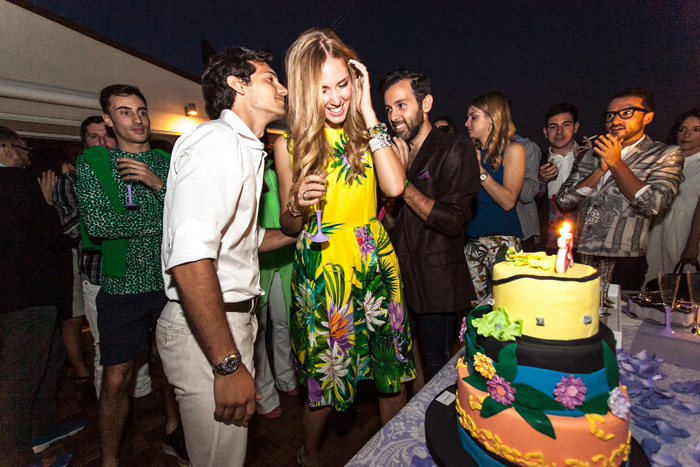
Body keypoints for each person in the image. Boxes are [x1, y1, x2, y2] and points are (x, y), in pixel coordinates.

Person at [275, 29, 415, 466]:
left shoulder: (369, 135)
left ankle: (393, 456)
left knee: (390, 375)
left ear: (356, 82)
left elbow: (394, 187)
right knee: (326, 383)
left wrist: (369, 111)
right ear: (305, 90)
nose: (335, 98)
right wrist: (297, 203)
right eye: (323, 89)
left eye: (343, 85)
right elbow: (288, 224)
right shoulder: (289, 144)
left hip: (372, 259)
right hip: (324, 268)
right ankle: (311, 455)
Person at [157, 47, 294, 467]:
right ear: (238, 85)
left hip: (227, 322)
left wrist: (298, 231)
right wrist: (227, 364)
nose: (283, 88)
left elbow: (243, 241)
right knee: (219, 460)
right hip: (208, 330)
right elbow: (190, 259)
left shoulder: (243, 148)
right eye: (270, 78)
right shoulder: (218, 142)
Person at [76, 84, 181, 466]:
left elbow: (189, 215)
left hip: (171, 283)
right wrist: (162, 218)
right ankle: (109, 460)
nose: (137, 119)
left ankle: (174, 430)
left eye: (141, 111)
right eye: (124, 112)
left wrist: (157, 184)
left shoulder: (166, 161)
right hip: (122, 286)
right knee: (117, 378)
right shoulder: (94, 163)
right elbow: (99, 224)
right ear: (108, 119)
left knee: (175, 369)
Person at [379, 68, 478, 388]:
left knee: (440, 367)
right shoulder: (395, 154)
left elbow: (453, 221)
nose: (394, 116)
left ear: (426, 104)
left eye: (401, 105)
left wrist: (401, 183)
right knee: (408, 365)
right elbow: (393, 224)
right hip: (402, 280)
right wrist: (389, 198)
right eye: (389, 108)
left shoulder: (455, 147)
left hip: (439, 284)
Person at [0, 125, 83, 466]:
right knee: (21, 377)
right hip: (29, 296)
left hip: (19, 296)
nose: (27, 158)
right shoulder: (19, 182)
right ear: (5, 148)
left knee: (46, 364)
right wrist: (48, 205)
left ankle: (42, 431)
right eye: (23, 150)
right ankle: (15, 456)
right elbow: (54, 237)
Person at [558, 88, 684, 290]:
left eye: (626, 113)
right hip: (579, 255)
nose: (615, 120)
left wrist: (616, 163)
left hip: (623, 260)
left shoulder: (665, 154)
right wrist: (599, 170)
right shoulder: (590, 155)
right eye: (610, 115)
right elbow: (564, 202)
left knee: (617, 310)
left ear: (647, 117)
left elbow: (653, 204)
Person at [53, 116, 118, 390]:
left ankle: (140, 398)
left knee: (136, 346)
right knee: (106, 348)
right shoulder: (72, 180)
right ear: (85, 144)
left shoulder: (128, 173)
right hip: (98, 276)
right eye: (94, 137)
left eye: (107, 136)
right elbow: (72, 229)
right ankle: (108, 403)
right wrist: (102, 197)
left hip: (133, 275)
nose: (102, 142)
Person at [463, 92, 526, 304]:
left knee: (507, 306)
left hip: (502, 241)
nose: (467, 123)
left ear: (493, 118)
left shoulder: (514, 150)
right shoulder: (469, 153)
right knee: (475, 310)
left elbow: (508, 201)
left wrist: (480, 171)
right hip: (471, 241)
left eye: (473, 117)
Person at [253, 153, 298, 419]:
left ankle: (286, 377)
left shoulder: (275, 172)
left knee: (283, 323)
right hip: (256, 264)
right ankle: (265, 396)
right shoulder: (244, 173)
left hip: (284, 259)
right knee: (256, 332)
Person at [645, 109, 700, 280]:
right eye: (682, 129)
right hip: (658, 226)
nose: (686, 135)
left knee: (681, 282)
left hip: (686, 229)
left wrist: (692, 244)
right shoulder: (665, 160)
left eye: (696, 130)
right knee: (654, 277)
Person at [538, 103, 583, 249]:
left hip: (585, 241)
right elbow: (528, 203)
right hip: (548, 242)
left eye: (566, 125)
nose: (559, 131)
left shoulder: (591, 156)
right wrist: (540, 180)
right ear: (545, 132)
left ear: (576, 127)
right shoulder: (537, 160)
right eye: (553, 126)